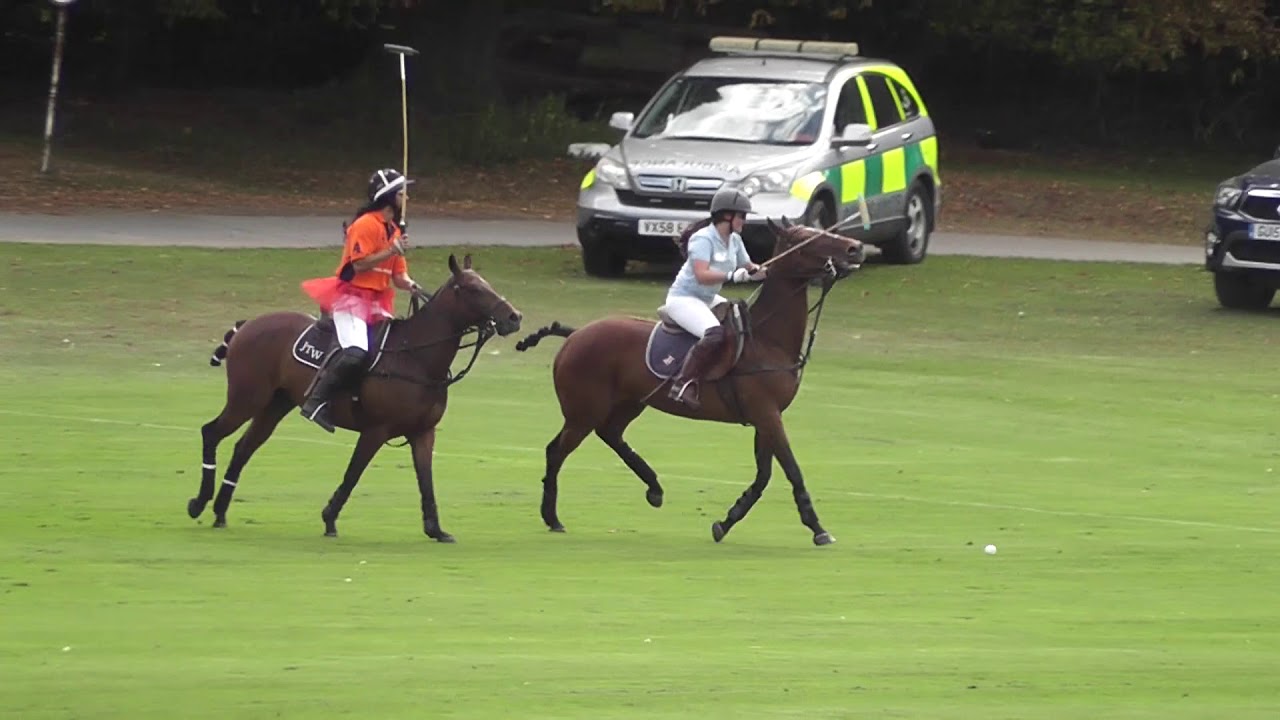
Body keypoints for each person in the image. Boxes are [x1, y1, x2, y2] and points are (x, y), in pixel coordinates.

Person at [298, 168, 427, 432]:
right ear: (389, 196)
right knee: (356, 352)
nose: (407, 199)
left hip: (377, 302)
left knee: (390, 352)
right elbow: (358, 265)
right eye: (403, 193)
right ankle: (315, 402)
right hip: (350, 298)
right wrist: (391, 249)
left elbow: (399, 276)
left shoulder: (394, 230)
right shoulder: (365, 225)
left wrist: (414, 287)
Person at [664, 187, 767, 410]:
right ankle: (682, 384)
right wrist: (732, 276)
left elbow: (749, 267)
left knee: (741, 322)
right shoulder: (703, 239)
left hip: (708, 298)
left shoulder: (735, 241)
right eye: (741, 216)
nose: (744, 221)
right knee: (714, 333)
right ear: (727, 215)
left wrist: (764, 271)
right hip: (684, 298)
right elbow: (702, 275)